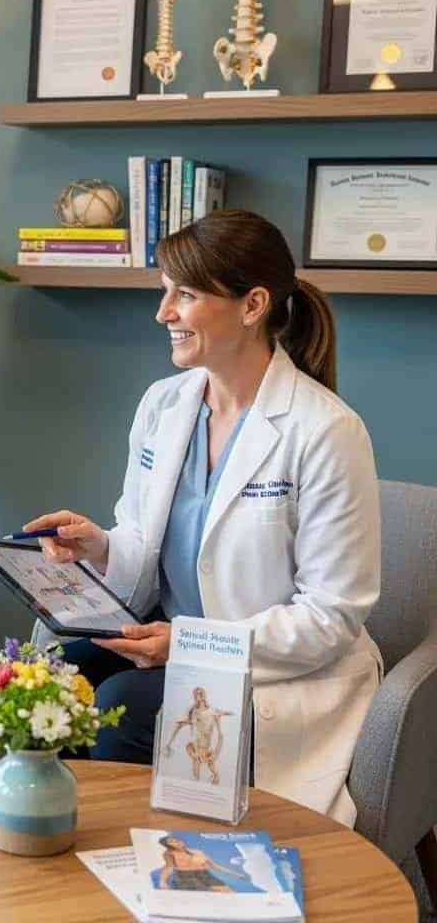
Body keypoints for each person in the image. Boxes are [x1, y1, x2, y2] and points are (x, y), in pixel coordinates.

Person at [24, 209, 381, 825]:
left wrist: (188, 642)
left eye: (183, 295)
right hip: (170, 639)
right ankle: (59, 856)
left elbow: (330, 618)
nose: (164, 313)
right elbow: (146, 542)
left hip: (269, 669)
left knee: (123, 707)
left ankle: (148, 869)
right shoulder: (165, 405)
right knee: (49, 679)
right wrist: (101, 547)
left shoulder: (326, 431)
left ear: (252, 305)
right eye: (165, 292)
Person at [163, 686, 233, 784]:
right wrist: (169, 741)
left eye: (201, 693)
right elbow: (184, 722)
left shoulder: (212, 711)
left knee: (211, 765)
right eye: (197, 694)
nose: (199, 695)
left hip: (207, 746)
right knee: (196, 761)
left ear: (204, 694)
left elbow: (225, 716)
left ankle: (213, 778)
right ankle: (196, 783)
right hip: (196, 745)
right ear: (195, 697)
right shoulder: (193, 711)